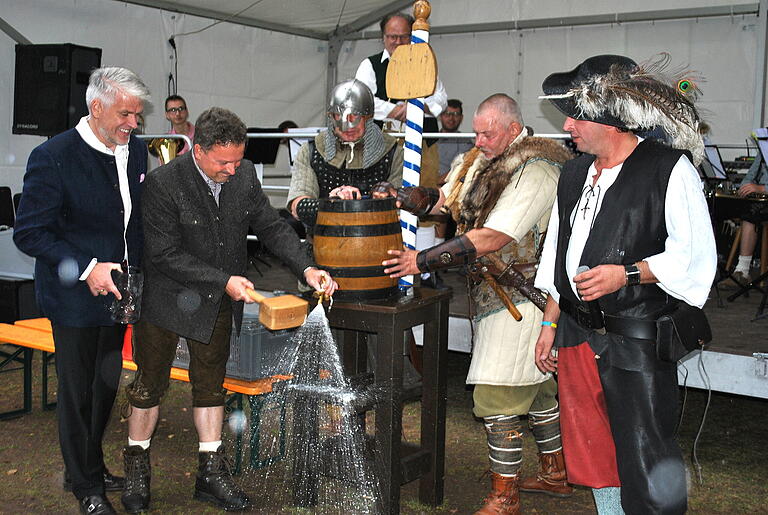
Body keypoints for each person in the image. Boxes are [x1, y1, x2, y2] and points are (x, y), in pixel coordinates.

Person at [121, 107, 337, 513]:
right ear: (198, 150)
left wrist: (306, 266)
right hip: (165, 300)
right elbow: (164, 254)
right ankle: (136, 467)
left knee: (211, 385)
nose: (233, 170)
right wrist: (225, 280)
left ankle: (210, 473)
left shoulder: (245, 174)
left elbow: (271, 227)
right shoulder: (164, 183)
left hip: (218, 301)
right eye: (224, 162)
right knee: (149, 385)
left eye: (238, 160)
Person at [534, 54, 716, 514]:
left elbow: (693, 256)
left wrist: (628, 273)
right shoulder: (573, 174)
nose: (567, 125)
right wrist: (549, 325)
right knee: (594, 452)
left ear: (611, 119)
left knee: (644, 452)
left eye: (576, 115)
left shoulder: (669, 169)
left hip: (636, 340)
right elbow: (560, 255)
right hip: (576, 334)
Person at [383, 93, 573, 515]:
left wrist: (422, 260)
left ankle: (505, 497)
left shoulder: (537, 169)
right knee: (538, 388)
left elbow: (494, 237)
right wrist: (402, 197)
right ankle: (555, 473)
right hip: (493, 294)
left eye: (488, 132)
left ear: (512, 128)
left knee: (496, 393)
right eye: (477, 130)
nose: (479, 138)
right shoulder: (477, 161)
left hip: (524, 298)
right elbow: (443, 201)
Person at [13, 66, 150, 515]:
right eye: (126, 113)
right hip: (73, 299)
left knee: (105, 386)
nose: (134, 123)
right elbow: (30, 233)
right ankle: (86, 488)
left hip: (117, 295)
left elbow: (136, 221)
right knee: (77, 394)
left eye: (137, 114)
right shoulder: (54, 155)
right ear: (96, 107)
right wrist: (89, 267)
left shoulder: (138, 151)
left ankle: (87, 466)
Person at [355, 12, 447, 283]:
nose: (397, 41)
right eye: (391, 36)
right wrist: (397, 109)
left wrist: (420, 107)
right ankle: (383, 260)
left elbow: (441, 97)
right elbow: (364, 99)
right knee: (386, 198)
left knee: (425, 201)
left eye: (403, 36)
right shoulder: (370, 65)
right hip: (385, 144)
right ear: (383, 37)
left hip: (423, 143)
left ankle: (426, 268)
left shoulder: (423, 61)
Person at [287, 79, 403, 227]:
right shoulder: (311, 151)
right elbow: (297, 206)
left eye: (356, 115)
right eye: (339, 115)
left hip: (377, 242)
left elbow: (400, 208)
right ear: (331, 117)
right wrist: (332, 204)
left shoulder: (393, 152)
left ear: (368, 117)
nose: (348, 123)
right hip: (323, 242)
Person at [729, 144, 768, 285]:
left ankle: (743, 269)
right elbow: (751, 175)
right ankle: (742, 271)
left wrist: (763, 188)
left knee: (751, 214)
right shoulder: (765, 147)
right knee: (747, 212)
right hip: (761, 201)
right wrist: (745, 187)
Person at [438, 99, 474, 177]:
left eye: (456, 114)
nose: (451, 118)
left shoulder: (466, 142)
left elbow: (461, 169)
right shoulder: (429, 140)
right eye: (447, 114)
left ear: (461, 118)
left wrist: (438, 181)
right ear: (440, 116)